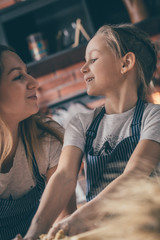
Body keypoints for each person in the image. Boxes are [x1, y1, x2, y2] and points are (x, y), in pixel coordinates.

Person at [19, 23, 160, 239]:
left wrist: (76, 219)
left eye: (93, 60)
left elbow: (135, 174)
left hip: (145, 229)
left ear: (126, 63)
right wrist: (35, 232)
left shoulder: (153, 116)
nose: (83, 68)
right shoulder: (82, 122)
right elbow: (64, 176)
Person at [0, 45, 76, 240]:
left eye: (28, 73)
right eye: (18, 77)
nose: (34, 82)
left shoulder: (47, 137)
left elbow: (64, 224)